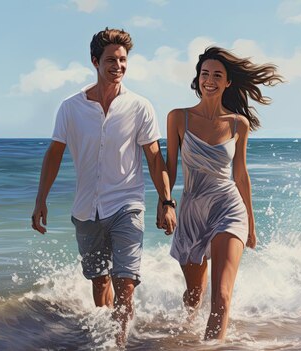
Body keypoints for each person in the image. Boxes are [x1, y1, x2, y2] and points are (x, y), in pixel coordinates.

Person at [31, 27, 177, 346]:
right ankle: (108, 337)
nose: (118, 66)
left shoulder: (140, 107)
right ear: (95, 61)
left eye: (123, 60)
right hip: (86, 210)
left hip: (127, 205)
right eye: (111, 59)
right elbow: (54, 154)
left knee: (126, 282)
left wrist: (167, 201)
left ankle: (118, 343)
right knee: (100, 283)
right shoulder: (71, 108)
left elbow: (154, 158)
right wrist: (41, 199)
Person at [161, 46, 282, 340]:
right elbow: (169, 168)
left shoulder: (238, 124)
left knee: (222, 298)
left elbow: (240, 175)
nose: (210, 80)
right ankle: (187, 335)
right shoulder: (179, 118)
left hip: (228, 207)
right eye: (205, 74)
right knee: (193, 295)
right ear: (198, 79)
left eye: (217, 75)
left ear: (228, 82)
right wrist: (165, 203)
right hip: (191, 210)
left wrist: (251, 224)